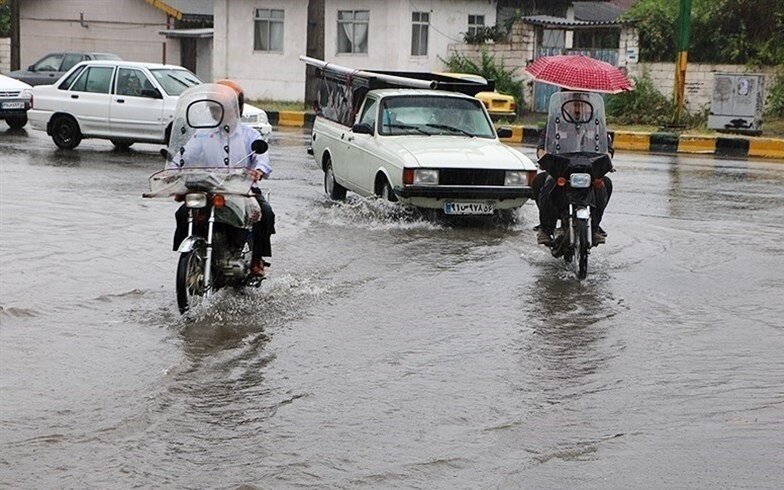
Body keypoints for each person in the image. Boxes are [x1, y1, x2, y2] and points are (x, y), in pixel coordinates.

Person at [171, 80, 275, 277]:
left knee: (266, 213)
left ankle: (256, 260)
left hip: (242, 190)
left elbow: (262, 158)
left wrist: (259, 170)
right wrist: (174, 168)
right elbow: (185, 154)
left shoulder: (249, 135)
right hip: (210, 188)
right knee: (183, 213)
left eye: (220, 109)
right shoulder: (203, 134)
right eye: (213, 109)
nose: (215, 113)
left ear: (236, 109)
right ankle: (190, 255)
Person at [534, 92, 614, 247]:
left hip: (589, 168)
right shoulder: (555, 122)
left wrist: (608, 160)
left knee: (605, 184)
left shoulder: (597, 123)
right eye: (574, 104)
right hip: (562, 167)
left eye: (581, 103)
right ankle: (546, 228)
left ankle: (595, 227)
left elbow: (607, 148)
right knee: (545, 183)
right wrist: (543, 158)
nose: (578, 108)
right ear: (566, 103)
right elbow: (542, 146)